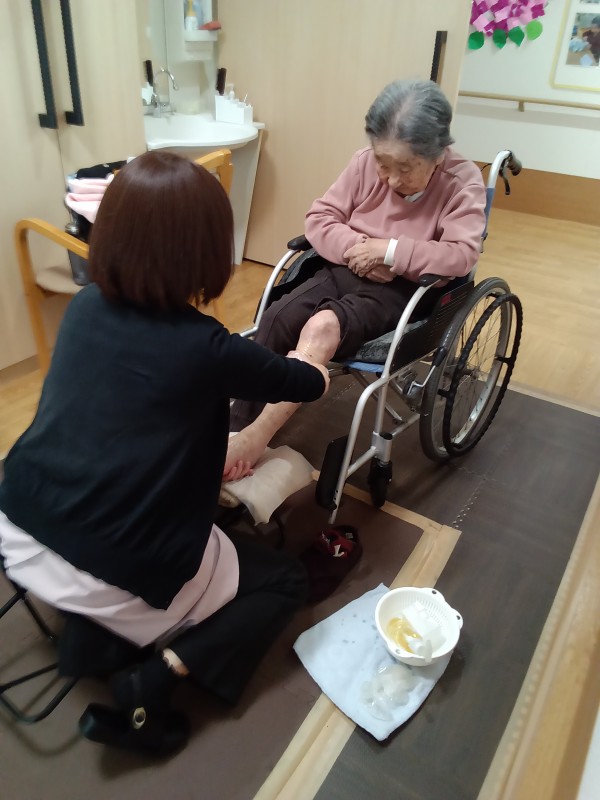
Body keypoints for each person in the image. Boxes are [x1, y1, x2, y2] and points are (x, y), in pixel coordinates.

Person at [0, 151, 329, 756]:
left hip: (18, 521)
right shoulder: (207, 348)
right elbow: (306, 383)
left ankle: (99, 635)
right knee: (283, 579)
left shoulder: (83, 308)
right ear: (204, 253)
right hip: (113, 562)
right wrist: (313, 351)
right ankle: (152, 683)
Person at [226, 78, 487, 477]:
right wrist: (358, 247)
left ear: (438, 155)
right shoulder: (364, 162)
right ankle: (235, 425)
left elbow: (461, 254)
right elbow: (320, 218)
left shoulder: (461, 181)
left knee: (322, 327)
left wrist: (390, 251)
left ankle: (255, 436)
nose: (391, 179)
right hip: (345, 267)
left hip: (403, 290)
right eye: (383, 163)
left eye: (405, 168)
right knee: (276, 317)